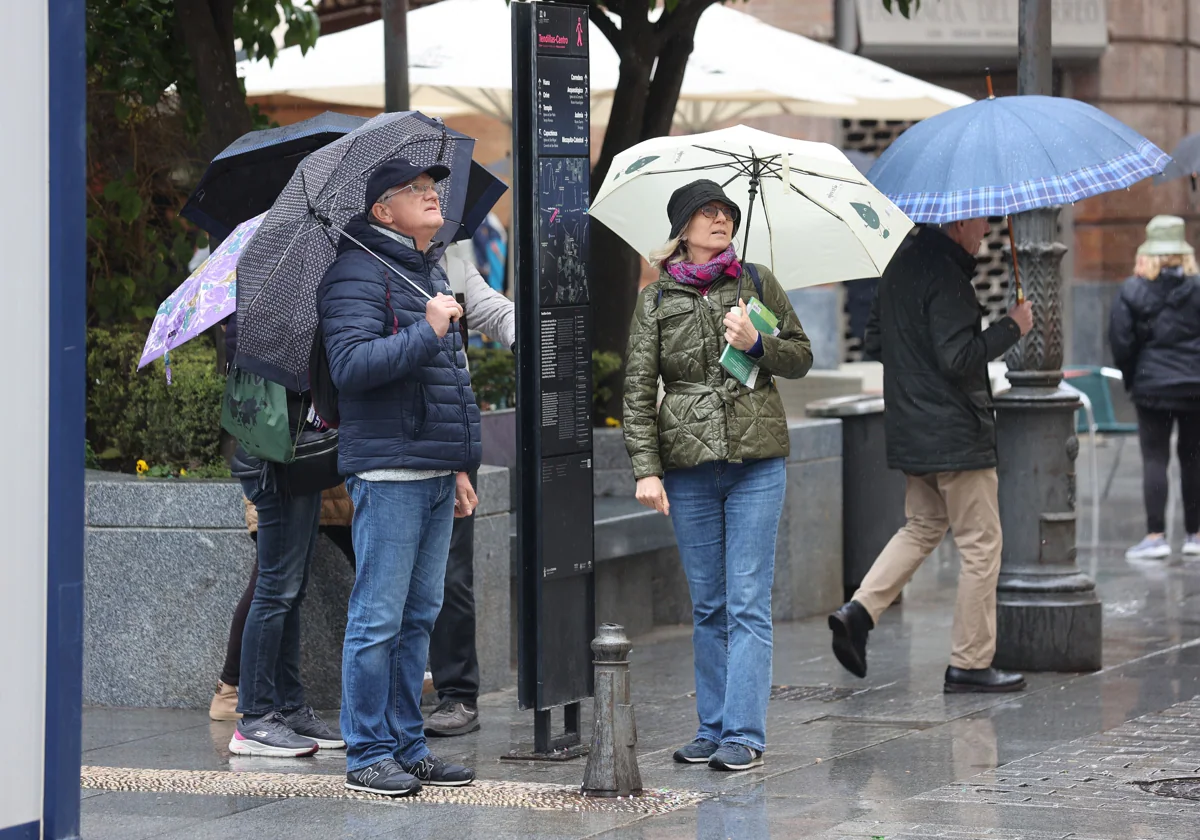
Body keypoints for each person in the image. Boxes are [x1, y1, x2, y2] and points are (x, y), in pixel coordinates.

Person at [623, 179, 813, 772]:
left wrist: (758, 343)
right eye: (706, 213)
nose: (720, 220)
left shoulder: (756, 282)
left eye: (726, 212)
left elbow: (802, 357)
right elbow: (635, 387)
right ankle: (711, 726)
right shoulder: (656, 299)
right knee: (708, 604)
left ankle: (744, 734)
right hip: (688, 468)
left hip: (757, 462)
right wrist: (645, 469)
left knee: (748, 601)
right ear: (683, 228)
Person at [317, 157, 481, 797]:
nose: (433, 195)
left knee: (420, 616)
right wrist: (429, 326)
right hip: (388, 470)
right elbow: (352, 366)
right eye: (416, 190)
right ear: (382, 211)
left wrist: (460, 464)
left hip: (435, 467)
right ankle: (366, 753)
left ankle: (409, 746)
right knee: (378, 619)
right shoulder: (356, 271)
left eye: (433, 187)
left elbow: (452, 384)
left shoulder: (425, 267)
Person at [827, 219, 1034, 694]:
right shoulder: (947, 276)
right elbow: (959, 357)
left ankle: (858, 612)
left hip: (913, 429)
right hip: (957, 433)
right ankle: (971, 662)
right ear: (957, 222)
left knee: (921, 526)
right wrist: (1012, 326)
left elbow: (876, 340)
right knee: (982, 546)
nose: (986, 229)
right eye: (980, 220)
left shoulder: (898, 264)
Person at [422, 247, 516, 738]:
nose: (433, 197)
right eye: (419, 189)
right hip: (384, 439)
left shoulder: (451, 255)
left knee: (452, 572)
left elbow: (494, 310)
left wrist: (535, 330)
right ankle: (391, 695)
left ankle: (457, 694)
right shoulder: (362, 255)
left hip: (449, 436)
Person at [207, 483, 354, 722]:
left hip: (313, 483)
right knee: (273, 591)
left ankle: (281, 706)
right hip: (288, 482)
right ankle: (252, 707)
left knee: (280, 592)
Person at [1110, 215, 1200, 560]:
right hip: (1195, 387)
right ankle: (1194, 534)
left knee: (1154, 458)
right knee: (1193, 459)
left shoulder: (1132, 290)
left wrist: (1134, 376)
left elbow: (1120, 340)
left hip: (1152, 387)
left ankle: (1156, 536)